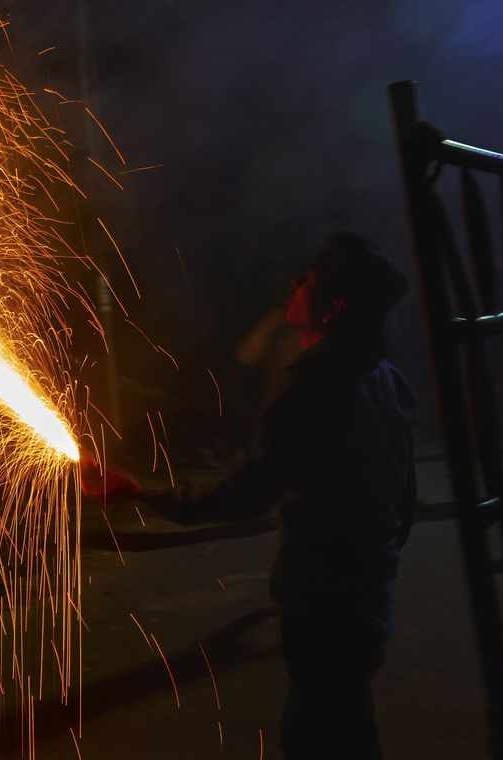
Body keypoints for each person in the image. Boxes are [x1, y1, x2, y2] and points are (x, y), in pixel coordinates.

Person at [173, 232, 417, 759]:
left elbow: (248, 494)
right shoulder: (385, 379)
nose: (294, 282)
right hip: (366, 595)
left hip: (326, 605)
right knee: (348, 725)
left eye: (309, 278)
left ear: (333, 309)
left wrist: (158, 499)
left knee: (315, 734)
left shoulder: (316, 389)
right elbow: (405, 496)